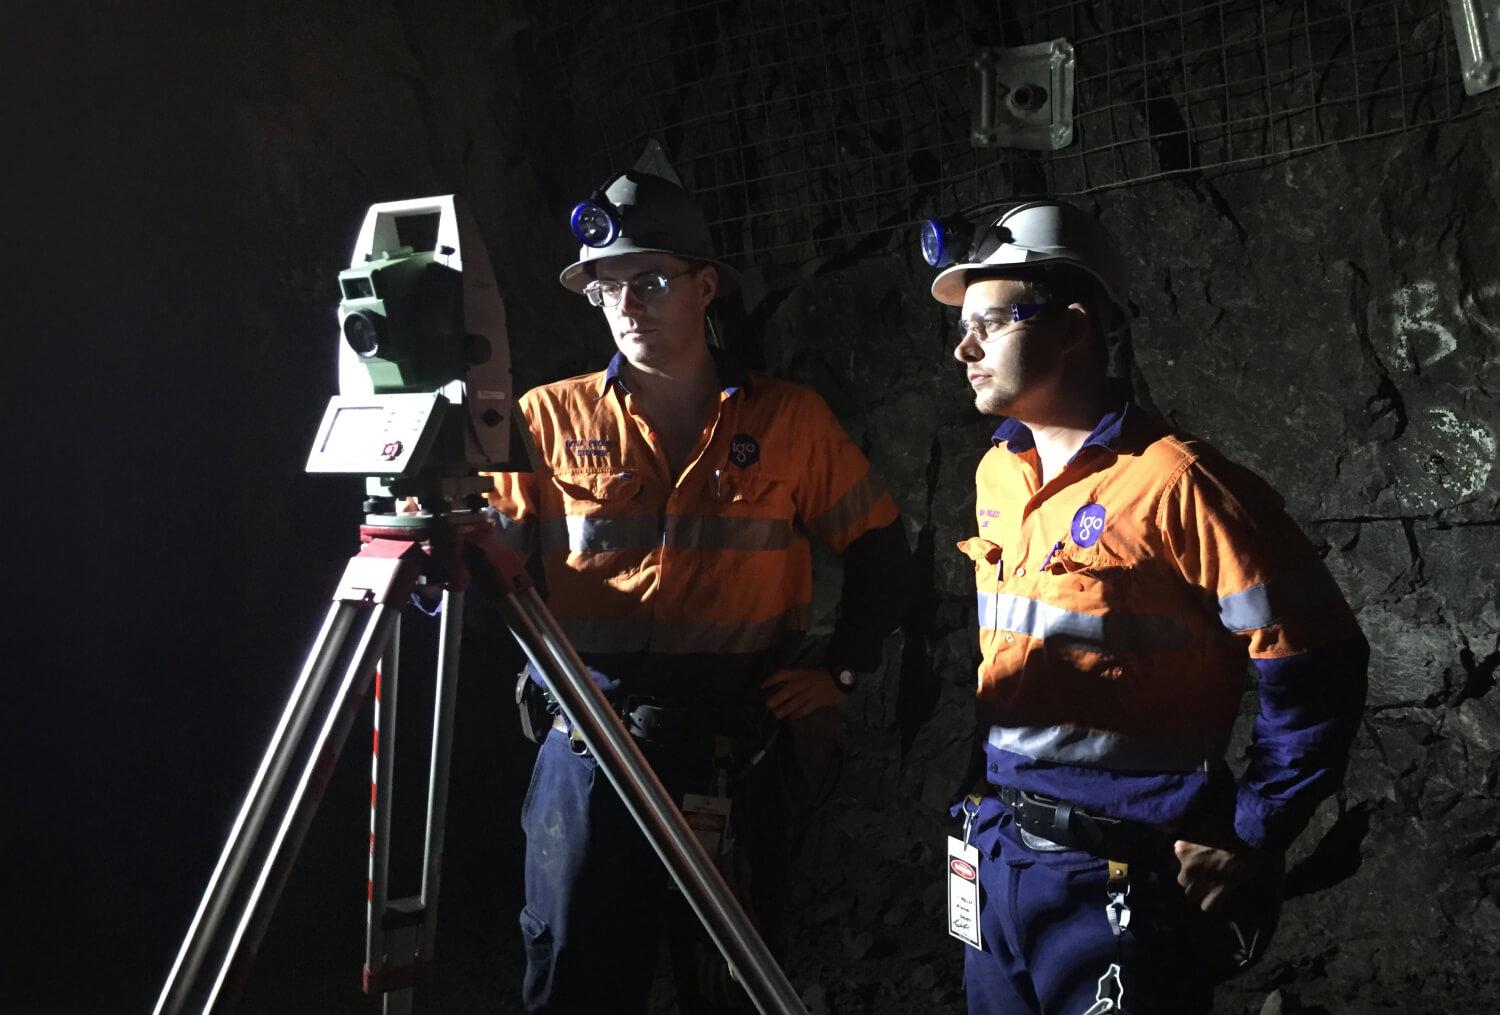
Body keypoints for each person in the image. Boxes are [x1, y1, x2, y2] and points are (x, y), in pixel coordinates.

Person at [486, 162, 910, 1013]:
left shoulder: (789, 422)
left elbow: (881, 544)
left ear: (705, 285)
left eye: (650, 280)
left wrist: (842, 671)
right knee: (574, 972)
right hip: (592, 740)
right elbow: (484, 561)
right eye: (608, 286)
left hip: (733, 746)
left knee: (734, 982)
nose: (628, 301)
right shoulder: (546, 419)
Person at [934, 200, 1369, 1014]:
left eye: (989, 323)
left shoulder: (1179, 484)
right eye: (963, 325)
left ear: (1070, 327)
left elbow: (1317, 659)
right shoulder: (999, 474)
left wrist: (1253, 827)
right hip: (1001, 855)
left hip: (1124, 873)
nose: (964, 347)